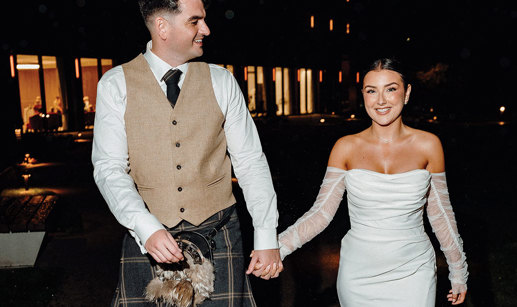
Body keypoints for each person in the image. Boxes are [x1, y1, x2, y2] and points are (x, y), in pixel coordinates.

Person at [92, 0, 282, 306]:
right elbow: (108, 169)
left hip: (219, 234)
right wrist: (146, 227)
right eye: (195, 21)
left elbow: (250, 162)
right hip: (149, 236)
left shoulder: (222, 81)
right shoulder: (115, 84)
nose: (206, 29)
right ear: (163, 27)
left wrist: (265, 236)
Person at [276, 58, 468, 306]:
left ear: (407, 93)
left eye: (390, 89)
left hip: (414, 272)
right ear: (363, 95)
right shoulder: (345, 147)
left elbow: (441, 214)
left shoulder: (428, 145)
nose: (380, 101)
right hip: (358, 275)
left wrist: (458, 271)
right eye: (371, 91)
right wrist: (275, 248)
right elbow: (321, 213)